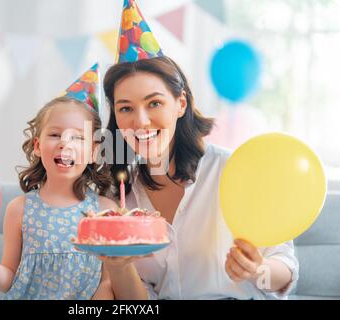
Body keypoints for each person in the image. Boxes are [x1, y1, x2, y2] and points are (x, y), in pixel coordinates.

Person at [99, 0, 298, 299]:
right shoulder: (121, 196)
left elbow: (285, 272)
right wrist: (117, 267)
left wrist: (258, 270)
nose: (140, 121)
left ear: (180, 104)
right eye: (126, 108)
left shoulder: (232, 171)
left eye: (154, 103)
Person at [0, 64, 116, 300]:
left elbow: (108, 284)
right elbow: (10, 280)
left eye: (78, 137)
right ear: (37, 146)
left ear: (93, 151)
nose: (64, 144)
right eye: (55, 134)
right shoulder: (19, 209)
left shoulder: (106, 212)